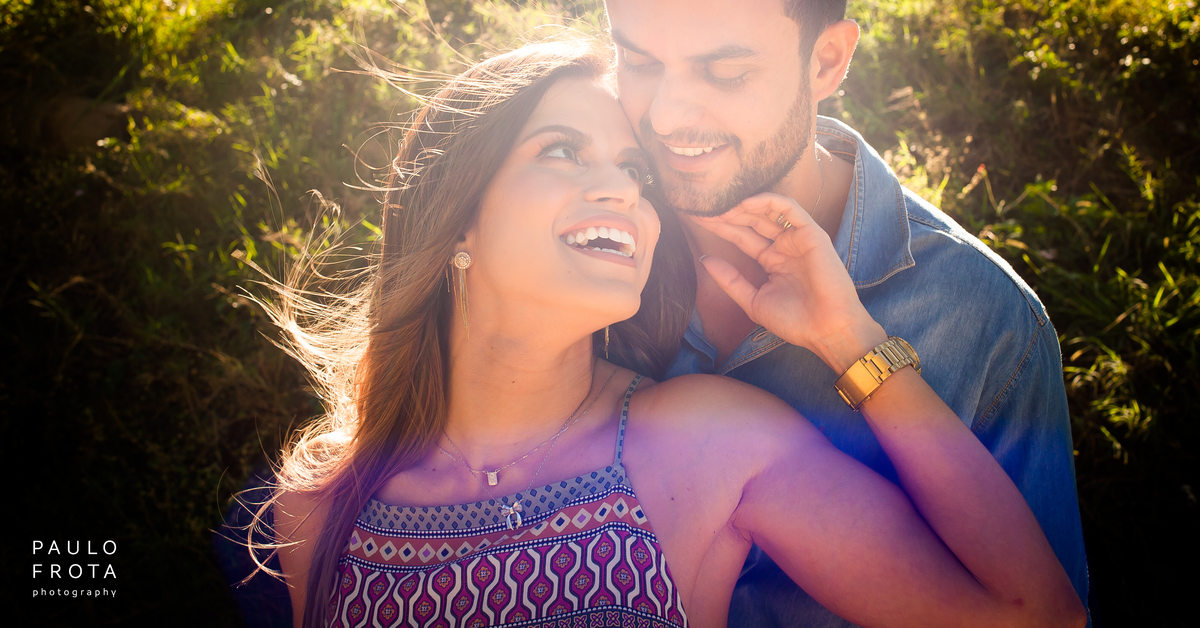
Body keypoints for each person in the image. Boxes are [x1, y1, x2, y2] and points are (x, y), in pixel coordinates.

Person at [266, 41, 1084, 628]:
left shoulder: (706, 441)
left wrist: (849, 339)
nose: (624, 191)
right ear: (456, 218)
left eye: (636, 171)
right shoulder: (314, 511)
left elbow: (1035, 615)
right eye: (564, 151)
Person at [599, 0, 1090, 628]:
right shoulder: (576, 245)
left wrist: (858, 351)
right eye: (639, 62)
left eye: (725, 72)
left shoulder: (988, 322)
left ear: (827, 60)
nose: (665, 115)